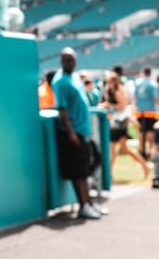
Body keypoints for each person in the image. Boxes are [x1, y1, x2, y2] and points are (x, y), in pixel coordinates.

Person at [51, 48, 105, 219]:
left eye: (72, 60)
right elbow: (62, 108)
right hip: (73, 132)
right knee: (78, 172)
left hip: (83, 130)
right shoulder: (60, 82)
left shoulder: (74, 77)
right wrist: (71, 132)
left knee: (89, 166)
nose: (70, 63)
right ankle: (83, 205)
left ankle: (88, 202)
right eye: (67, 60)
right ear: (61, 61)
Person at [103, 72, 149, 180]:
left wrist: (110, 105)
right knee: (123, 149)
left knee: (114, 149)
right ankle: (145, 166)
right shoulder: (112, 90)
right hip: (117, 122)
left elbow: (122, 105)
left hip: (119, 123)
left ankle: (109, 174)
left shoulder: (119, 91)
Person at [133, 67, 159, 159]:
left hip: (140, 111)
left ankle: (141, 150)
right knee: (150, 132)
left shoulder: (138, 83)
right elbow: (156, 98)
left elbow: (135, 97)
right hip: (150, 111)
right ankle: (150, 150)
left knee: (141, 132)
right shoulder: (152, 84)